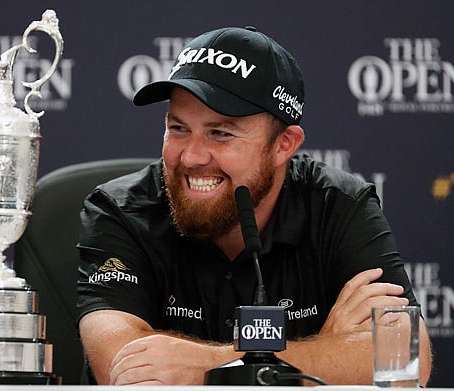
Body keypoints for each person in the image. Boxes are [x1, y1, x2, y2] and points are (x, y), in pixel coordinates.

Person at [76, 26, 432, 386]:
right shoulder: (118, 210)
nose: (192, 156)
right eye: (178, 128)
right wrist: (325, 348)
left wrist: (206, 364)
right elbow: (122, 368)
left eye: (221, 133)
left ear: (283, 145)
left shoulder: (338, 205)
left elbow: (406, 362)